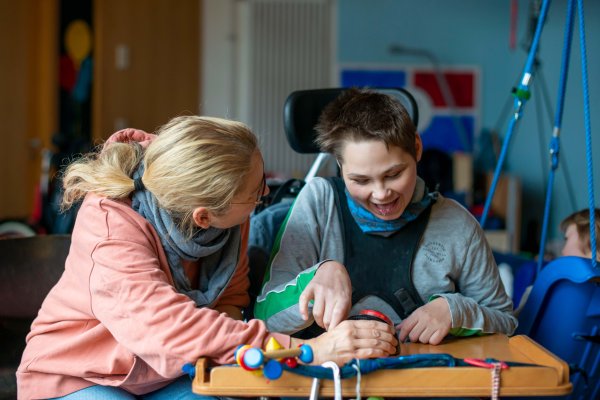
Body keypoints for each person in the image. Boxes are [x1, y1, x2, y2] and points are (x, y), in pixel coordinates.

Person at [16, 115, 397, 400]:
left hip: (165, 372)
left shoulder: (230, 215)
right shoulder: (111, 227)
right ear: (203, 216)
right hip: (79, 374)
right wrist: (310, 351)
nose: (265, 192)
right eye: (255, 191)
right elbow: (168, 329)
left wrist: (241, 352)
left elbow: (229, 302)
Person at [254, 88, 517, 345]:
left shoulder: (456, 224)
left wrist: (454, 311)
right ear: (340, 165)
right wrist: (313, 281)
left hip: (421, 383)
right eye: (361, 180)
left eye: (393, 175)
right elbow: (264, 318)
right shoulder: (319, 204)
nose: (381, 194)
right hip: (330, 382)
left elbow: (506, 321)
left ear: (416, 148)